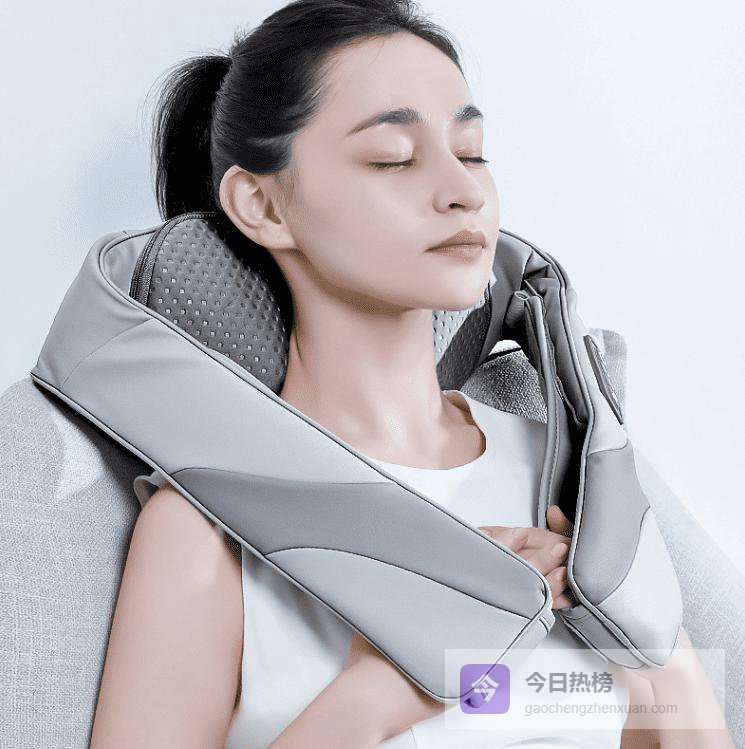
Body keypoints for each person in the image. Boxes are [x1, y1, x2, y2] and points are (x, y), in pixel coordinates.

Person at [89, 1, 734, 747]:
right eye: (394, 157)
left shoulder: (575, 479)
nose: (464, 191)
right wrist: (382, 692)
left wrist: (659, 649)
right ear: (262, 205)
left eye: (471, 151)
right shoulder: (209, 523)